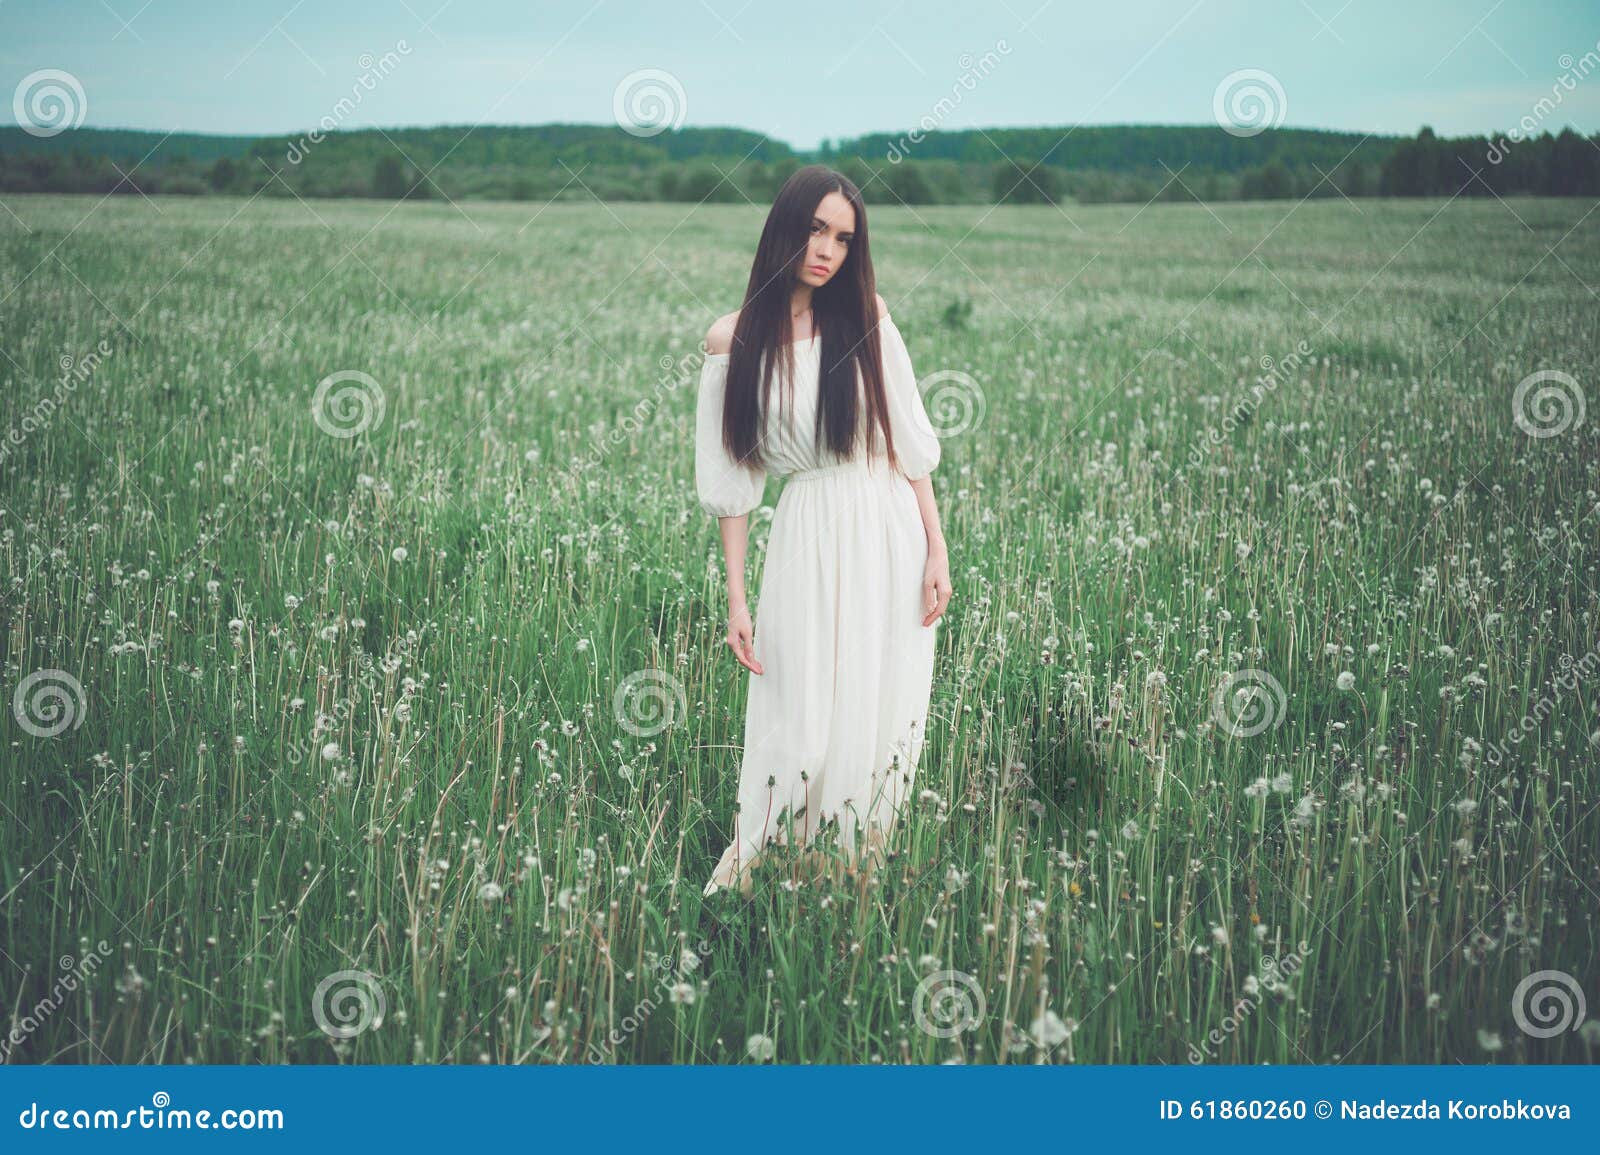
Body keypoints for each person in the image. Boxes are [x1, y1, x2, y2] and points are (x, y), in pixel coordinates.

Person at [694, 164, 952, 897]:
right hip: (805, 532)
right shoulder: (730, 340)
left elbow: (908, 440)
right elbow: (734, 486)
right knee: (800, 708)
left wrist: (936, 547)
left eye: (844, 238)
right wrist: (737, 600)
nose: (828, 250)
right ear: (785, 226)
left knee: (877, 702)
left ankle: (845, 870)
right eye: (816, 229)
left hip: (888, 528)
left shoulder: (867, 316)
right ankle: (760, 860)